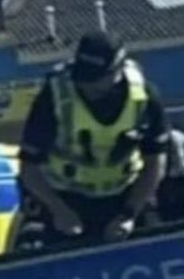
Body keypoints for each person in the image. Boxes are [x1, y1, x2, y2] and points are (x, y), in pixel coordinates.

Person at [17, 30, 171, 247]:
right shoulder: (54, 97)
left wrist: (129, 214)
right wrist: (60, 211)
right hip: (67, 199)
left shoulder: (145, 97)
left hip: (124, 197)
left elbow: (155, 162)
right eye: (82, 76)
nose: (86, 85)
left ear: (116, 71)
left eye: (95, 79)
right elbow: (29, 168)